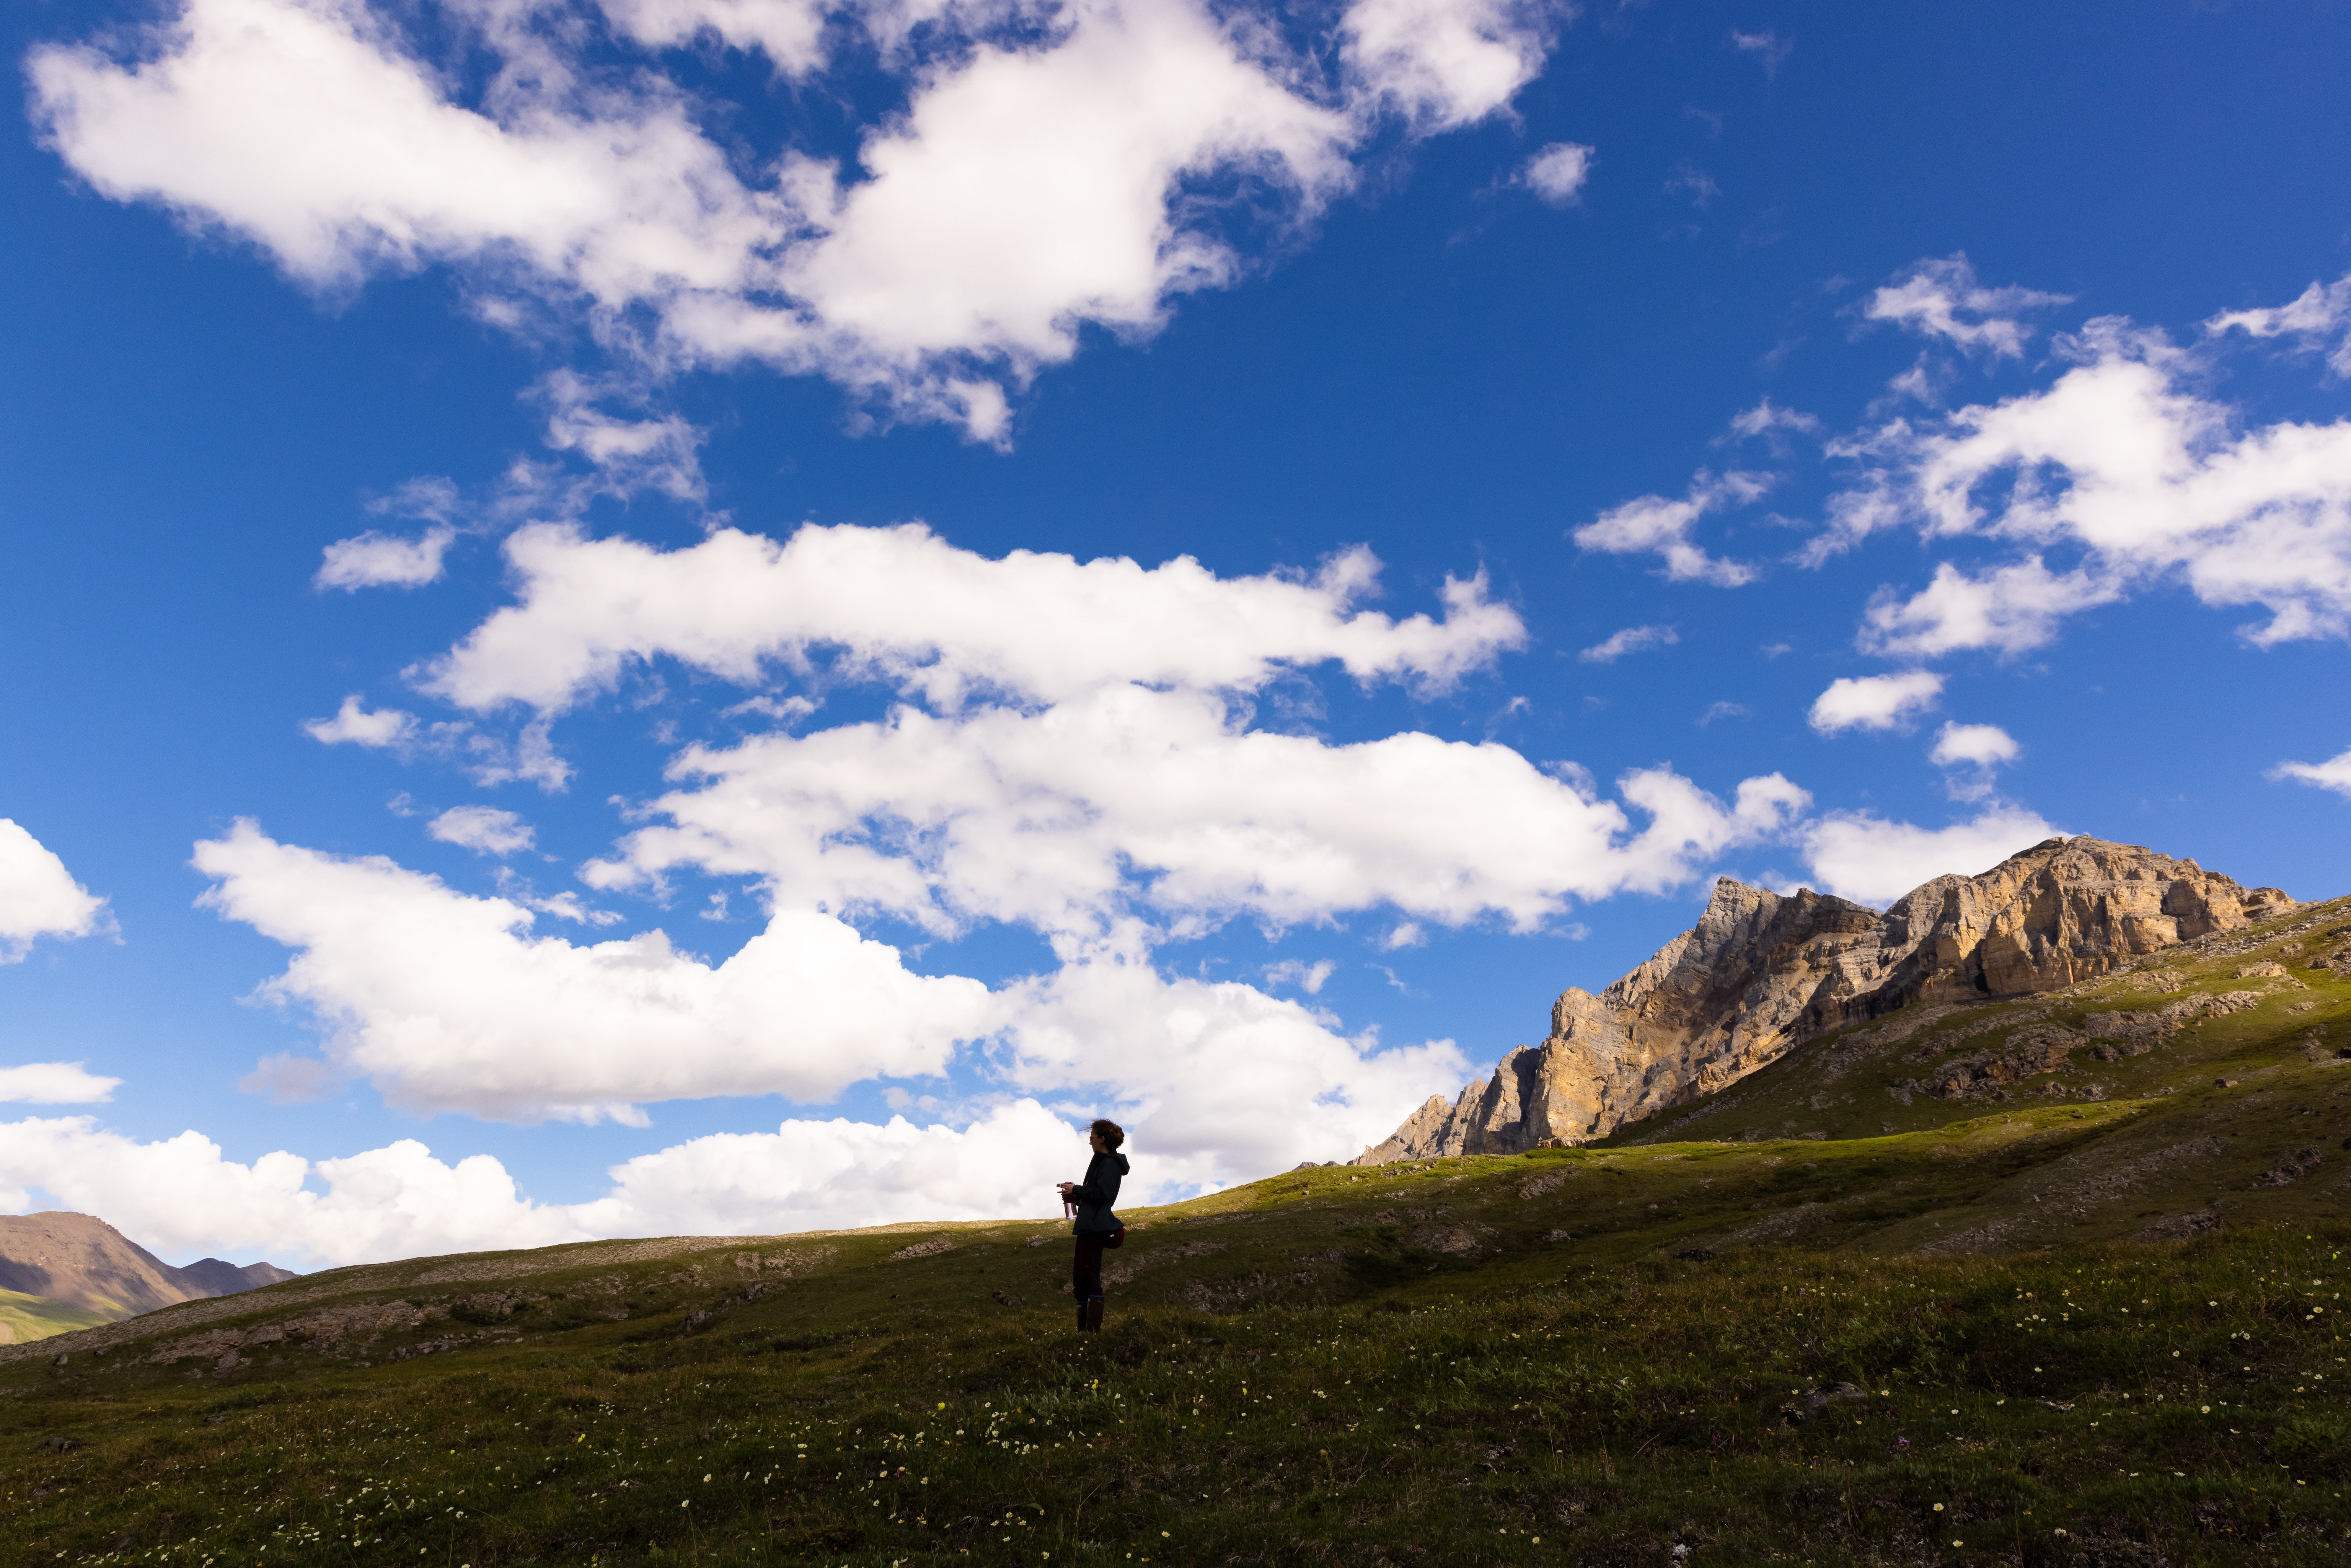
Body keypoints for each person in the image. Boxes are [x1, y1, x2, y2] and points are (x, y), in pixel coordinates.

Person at [1056, 1119, 1128, 1333]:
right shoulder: (1101, 1161)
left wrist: (1077, 1190)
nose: (1090, 1142)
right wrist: (1074, 1196)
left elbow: (1103, 1195)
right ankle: (1083, 1333)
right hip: (1088, 1225)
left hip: (1096, 1227)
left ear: (1102, 1139)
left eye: (1093, 1138)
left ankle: (1091, 1334)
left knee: (1089, 1277)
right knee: (1080, 1278)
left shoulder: (1109, 1164)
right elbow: (1095, 1195)